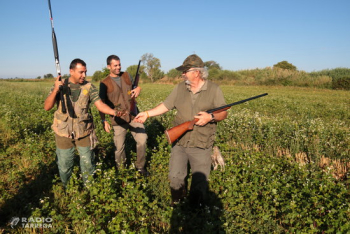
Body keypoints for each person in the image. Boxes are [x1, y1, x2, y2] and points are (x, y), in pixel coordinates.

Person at [134, 54, 228, 208]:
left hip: (201, 142)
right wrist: (147, 113)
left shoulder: (214, 89)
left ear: (197, 72)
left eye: (185, 71)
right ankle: (177, 204)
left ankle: (196, 211)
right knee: (175, 177)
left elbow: (223, 113)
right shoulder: (179, 88)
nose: (182, 74)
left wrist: (210, 116)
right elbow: (165, 106)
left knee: (199, 181)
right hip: (180, 141)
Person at [44, 58, 119, 187]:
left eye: (85, 72)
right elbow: (47, 107)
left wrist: (116, 112)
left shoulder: (89, 87)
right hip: (63, 132)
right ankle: (67, 189)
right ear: (71, 71)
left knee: (88, 163)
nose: (84, 75)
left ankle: (90, 189)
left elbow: (100, 105)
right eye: (81, 72)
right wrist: (56, 89)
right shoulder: (60, 86)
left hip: (84, 131)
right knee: (64, 165)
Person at [99, 55, 148, 176]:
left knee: (143, 139)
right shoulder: (104, 83)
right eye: (115, 65)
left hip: (133, 115)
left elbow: (135, 87)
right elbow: (101, 104)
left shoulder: (126, 75)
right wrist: (103, 120)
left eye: (119, 64)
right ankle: (122, 171)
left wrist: (138, 89)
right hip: (118, 119)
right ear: (108, 66)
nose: (118, 67)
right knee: (119, 148)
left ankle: (140, 167)